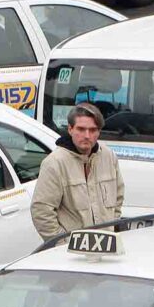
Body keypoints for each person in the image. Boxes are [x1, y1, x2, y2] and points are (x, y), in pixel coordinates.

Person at [31, 103, 124, 242]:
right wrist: (63, 243)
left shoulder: (108, 156)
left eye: (93, 130)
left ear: (99, 132)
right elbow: (41, 211)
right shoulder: (54, 163)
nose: (87, 135)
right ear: (70, 129)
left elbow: (118, 197)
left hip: (106, 247)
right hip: (73, 255)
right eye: (81, 129)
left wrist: (112, 230)